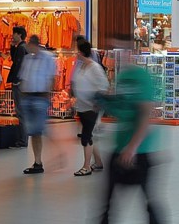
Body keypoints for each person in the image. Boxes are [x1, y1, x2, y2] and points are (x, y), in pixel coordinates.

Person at [99, 34, 164, 223]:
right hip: (121, 147)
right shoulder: (122, 76)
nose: (119, 55)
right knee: (108, 201)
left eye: (124, 51)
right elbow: (123, 110)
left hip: (140, 149)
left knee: (149, 202)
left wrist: (132, 148)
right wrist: (104, 102)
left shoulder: (141, 76)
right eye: (116, 51)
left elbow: (145, 114)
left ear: (132, 52)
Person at [19, 35, 58, 174]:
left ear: (35, 44)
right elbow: (24, 77)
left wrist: (47, 95)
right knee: (34, 132)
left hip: (40, 97)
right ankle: (37, 162)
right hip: (28, 98)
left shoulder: (48, 58)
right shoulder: (27, 58)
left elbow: (52, 78)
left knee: (40, 130)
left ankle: (58, 153)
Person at [72, 40, 108, 177]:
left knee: (86, 137)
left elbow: (103, 86)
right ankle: (98, 162)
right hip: (82, 106)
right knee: (89, 135)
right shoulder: (81, 66)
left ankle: (86, 166)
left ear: (81, 52)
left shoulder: (94, 68)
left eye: (77, 51)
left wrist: (97, 103)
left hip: (91, 107)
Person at [8, 26, 28, 148]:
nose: (12, 35)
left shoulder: (21, 48)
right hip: (23, 83)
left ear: (19, 34)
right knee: (21, 112)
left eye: (14, 33)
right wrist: (12, 46)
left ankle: (22, 140)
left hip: (19, 83)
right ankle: (23, 139)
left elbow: (17, 65)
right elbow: (15, 60)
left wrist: (16, 81)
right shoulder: (22, 47)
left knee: (20, 112)